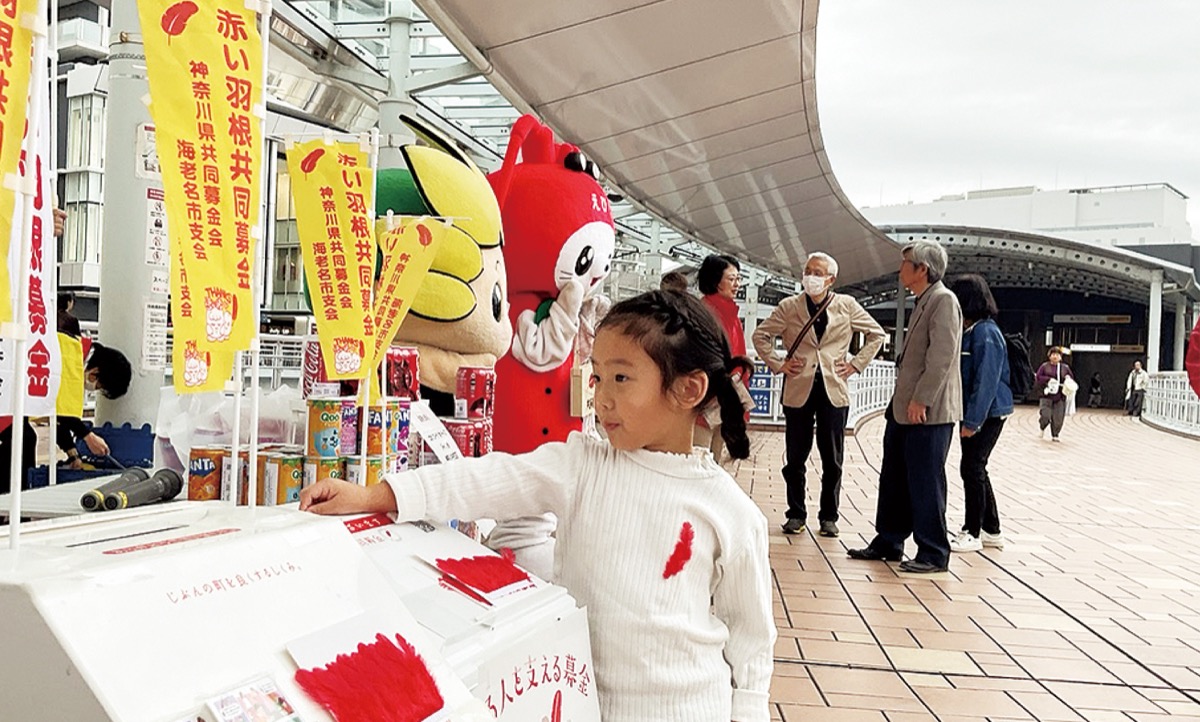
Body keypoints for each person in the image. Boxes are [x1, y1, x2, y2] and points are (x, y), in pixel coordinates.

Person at [301, 290, 774, 722]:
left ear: (687, 390)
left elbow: (752, 636)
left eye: (622, 378)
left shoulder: (729, 511)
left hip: (689, 708)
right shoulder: (582, 465)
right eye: (598, 378)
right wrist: (378, 495)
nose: (602, 398)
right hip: (582, 700)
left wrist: (747, 713)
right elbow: (489, 479)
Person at [751, 251, 885, 538]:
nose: (811, 277)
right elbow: (760, 335)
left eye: (817, 272)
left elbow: (876, 335)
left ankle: (829, 516)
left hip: (833, 389)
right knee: (796, 455)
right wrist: (778, 363)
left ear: (831, 279)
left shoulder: (847, 305)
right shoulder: (789, 306)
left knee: (832, 457)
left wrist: (855, 364)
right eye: (808, 271)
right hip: (798, 386)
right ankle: (796, 514)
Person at [848, 242, 962, 574]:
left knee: (926, 480)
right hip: (903, 409)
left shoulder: (943, 300)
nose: (900, 271)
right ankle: (889, 539)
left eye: (905, 264)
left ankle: (933, 550)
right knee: (895, 476)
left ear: (922, 269)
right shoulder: (924, 301)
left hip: (927, 412)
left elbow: (940, 358)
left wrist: (921, 399)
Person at [947, 275, 1011, 553]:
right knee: (975, 467)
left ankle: (972, 531)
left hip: (988, 412)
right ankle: (991, 530)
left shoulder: (986, 332)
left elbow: (986, 381)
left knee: (972, 468)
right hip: (981, 411)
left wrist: (973, 421)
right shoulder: (973, 330)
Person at [696, 254, 749, 460]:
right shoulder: (705, 311)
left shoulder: (730, 312)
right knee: (700, 454)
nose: (737, 284)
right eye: (732, 279)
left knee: (715, 454)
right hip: (708, 392)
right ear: (715, 280)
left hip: (727, 392)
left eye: (739, 279)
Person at [1035, 347, 1074, 441]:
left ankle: (1055, 434)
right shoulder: (1044, 366)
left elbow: (1071, 378)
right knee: (1045, 415)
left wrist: (1068, 379)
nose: (1055, 356)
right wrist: (1048, 380)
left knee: (1058, 417)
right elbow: (1038, 377)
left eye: (1057, 355)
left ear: (1060, 357)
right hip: (1047, 395)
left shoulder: (1065, 368)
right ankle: (1042, 427)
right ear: (1049, 356)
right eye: (1053, 354)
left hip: (1060, 395)